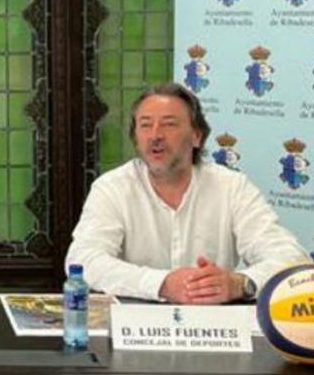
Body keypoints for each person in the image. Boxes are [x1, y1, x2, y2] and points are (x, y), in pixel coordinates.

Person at [66, 83, 309, 303]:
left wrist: (240, 284)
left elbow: (293, 260)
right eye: (145, 125)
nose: (155, 135)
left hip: (216, 332)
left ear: (196, 136)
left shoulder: (232, 187)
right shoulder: (112, 188)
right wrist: (162, 284)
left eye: (169, 124)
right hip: (134, 328)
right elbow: (83, 261)